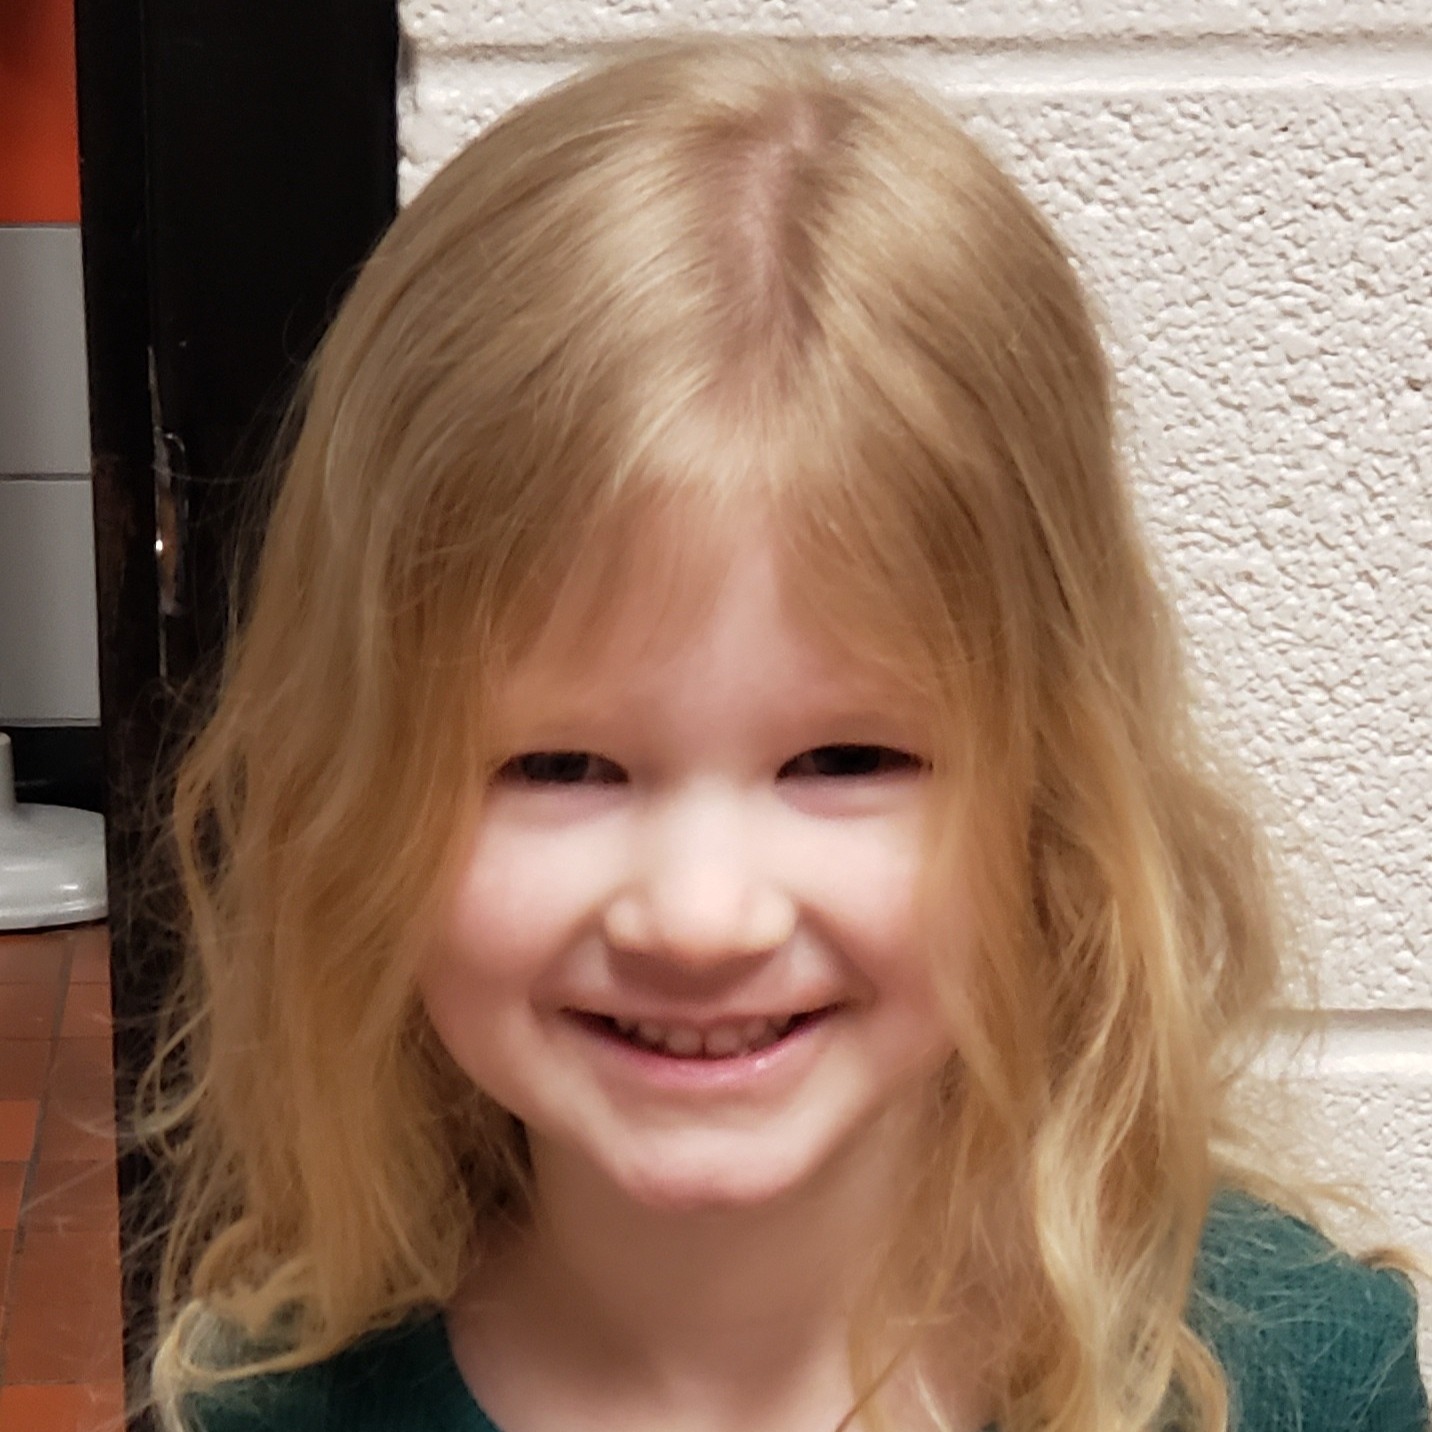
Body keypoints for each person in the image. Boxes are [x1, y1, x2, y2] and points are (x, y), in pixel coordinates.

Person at [135, 33, 1427, 1432]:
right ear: (355, 792)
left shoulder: (1296, 1386)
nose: (701, 917)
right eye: (559, 766)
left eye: (845, 760)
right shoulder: (265, 1410)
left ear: (1051, 791)